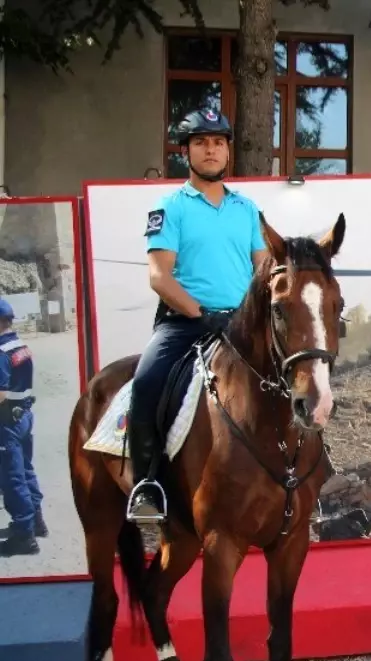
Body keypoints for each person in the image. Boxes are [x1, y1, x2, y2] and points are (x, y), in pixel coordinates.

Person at [125, 108, 275, 528]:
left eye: (218, 142)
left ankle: (307, 478)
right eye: (201, 142)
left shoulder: (247, 209)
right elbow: (159, 275)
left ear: (228, 151)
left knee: (296, 377)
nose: (211, 150)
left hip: (240, 326)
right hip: (185, 323)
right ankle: (147, 484)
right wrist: (202, 314)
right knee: (147, 381)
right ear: (186, 151)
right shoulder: (170, 206)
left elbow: (263, 269)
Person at [0, 299, 48, 557]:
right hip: (24, 416)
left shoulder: (0, 352)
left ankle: (24, 535)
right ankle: (36, 521)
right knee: (26, 470)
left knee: (11, 477)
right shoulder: (20, 346)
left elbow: (1, 393)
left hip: (6, 421)